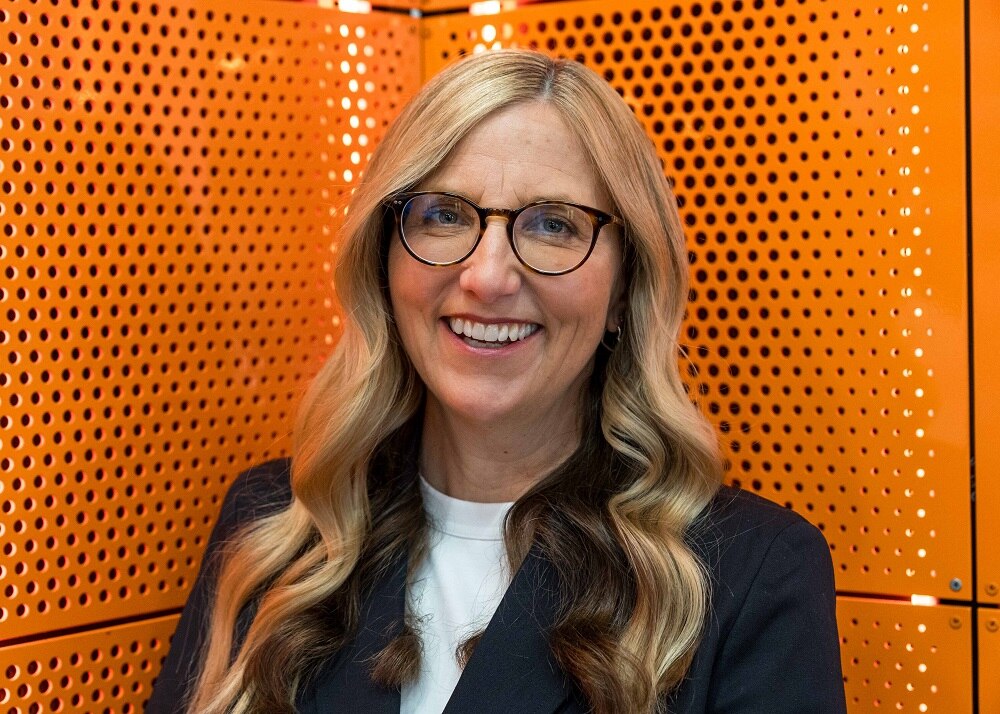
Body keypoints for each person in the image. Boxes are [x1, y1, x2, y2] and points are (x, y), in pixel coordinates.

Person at [146, 49, 846, 714]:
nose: (486, 277)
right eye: (444, 215)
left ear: (624, 286)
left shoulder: (750, 576)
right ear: (384, 263)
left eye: (553, 226)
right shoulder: (278, 530)